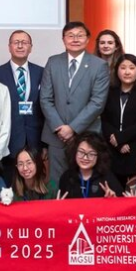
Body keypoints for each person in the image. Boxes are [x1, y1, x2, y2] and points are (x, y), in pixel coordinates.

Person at [40, 22, 111, 181]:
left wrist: (72, 128)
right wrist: (60, 127)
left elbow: (97, 103)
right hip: (56, 136)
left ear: (87, 39)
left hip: (86, 135)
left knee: (85, 181)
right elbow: (45, 98)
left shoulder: (99, 65)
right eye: (70, 36)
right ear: (63, 39)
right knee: (57, 182)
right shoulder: (53, 62)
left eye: (80, 35)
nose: (75, 39)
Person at [0, 30, 45, 181]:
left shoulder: (42, 72)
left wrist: (45, 145)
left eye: (24, 43)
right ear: (9, 47)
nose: (20, 46)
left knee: (34, 185)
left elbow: (45, 108)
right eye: (16, 42)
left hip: (35, 140)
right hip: (8, 141)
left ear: (31, 47)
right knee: (9, 186)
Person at [103, 54, 136, 187]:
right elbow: (104, 119)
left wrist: (122, 137)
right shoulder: (110, 91)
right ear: (117, 70)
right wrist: (117, 142)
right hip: (112, 150)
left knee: (135, 191)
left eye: (131, 68)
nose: (127, 72)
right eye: (123, 68)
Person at [57, 132, 123, 198]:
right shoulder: (67, 177)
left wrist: (113, 199)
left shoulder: (107, 177)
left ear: (99, 156)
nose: (85, 158)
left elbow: (121, 201)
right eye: (81, 152)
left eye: (91, 154)